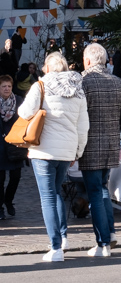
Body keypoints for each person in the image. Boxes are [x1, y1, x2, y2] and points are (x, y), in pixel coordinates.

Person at [17, 51, 89, 263]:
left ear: (47, 68)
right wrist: (78, 151)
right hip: (66, 150)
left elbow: (24, 112)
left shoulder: (41, 86)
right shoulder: (78, 90)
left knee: (48, 197)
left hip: (44, 149)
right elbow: (83, 126)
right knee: (56, 193)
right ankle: (63, 237)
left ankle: (56, 247)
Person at [79, 42, 121, 258]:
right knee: (102, 190)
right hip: (111, 146)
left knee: (96, 192)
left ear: (89, 60)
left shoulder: (83, 82)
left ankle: (103, 242)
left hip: (90, 145)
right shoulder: (120, 84)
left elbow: (78, 118)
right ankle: (109, 233)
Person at [0, 74, 24, 219]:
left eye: (9, 86)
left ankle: (9, 200)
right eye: (3, 86)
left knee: (16, 176)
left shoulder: (19, 101)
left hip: (15, 144)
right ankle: (0, 206)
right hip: (0, 145)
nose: (7, 89)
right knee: (0, 179)